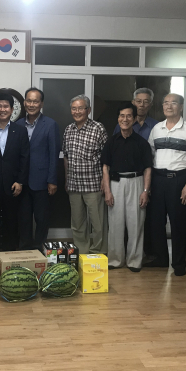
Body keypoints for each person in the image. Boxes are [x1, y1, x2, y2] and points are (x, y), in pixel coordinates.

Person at [146, 94, 186, 275]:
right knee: (156, 222)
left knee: (179, 223)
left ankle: (179, 264)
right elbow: (151, 156)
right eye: (166, 103)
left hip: (179, 179)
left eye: (173, 103)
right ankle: (161, 259)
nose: (169, 106)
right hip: (158, 179)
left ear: (181, 106)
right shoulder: (157, 128)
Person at [102, 104, 153, 271]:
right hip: (115, 184)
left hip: (136, 183)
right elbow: (105, 167)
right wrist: (107, 190)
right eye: (122, 116)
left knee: (136, 223)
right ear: (118, 119)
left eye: (129, 116)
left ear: (134, 118)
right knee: (115, 224)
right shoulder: (111, 142)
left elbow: (147, 168)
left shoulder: (142, 143)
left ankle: (134, 260)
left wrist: (145, 191)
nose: (125, 119)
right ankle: (115, 259)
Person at [16, 87, 61, 251]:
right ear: (24, 103)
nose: (31, 104)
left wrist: (52, 180)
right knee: (24, 218)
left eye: (35, 101)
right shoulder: (18, 124)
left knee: (42, 219)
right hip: (22, 181)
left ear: (41, 104)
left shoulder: (50, 124)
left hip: (42, 181)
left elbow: (53, 154)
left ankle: (39, 248)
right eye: (29, 100)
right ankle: (25, 249)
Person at [0, 91, 29, 260]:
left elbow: (25, 158)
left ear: (12, 109)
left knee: (12, 223)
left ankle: (10, 259)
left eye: (6, 106)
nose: (2, 109)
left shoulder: (20, 131)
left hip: (13, 185)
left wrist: (20, 181)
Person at [63, 94, 109, 255]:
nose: (77, 111)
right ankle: (82, 254)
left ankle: (99, 254)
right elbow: (66, 157)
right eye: (74, 108)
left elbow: (106, 158)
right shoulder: (68, 130)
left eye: (80, 108)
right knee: (77, 223)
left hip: (94, 184)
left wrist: (105, 181)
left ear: (88, 110)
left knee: (98, 223)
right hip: (74, 185)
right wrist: (67, 179)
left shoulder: (98, 128)